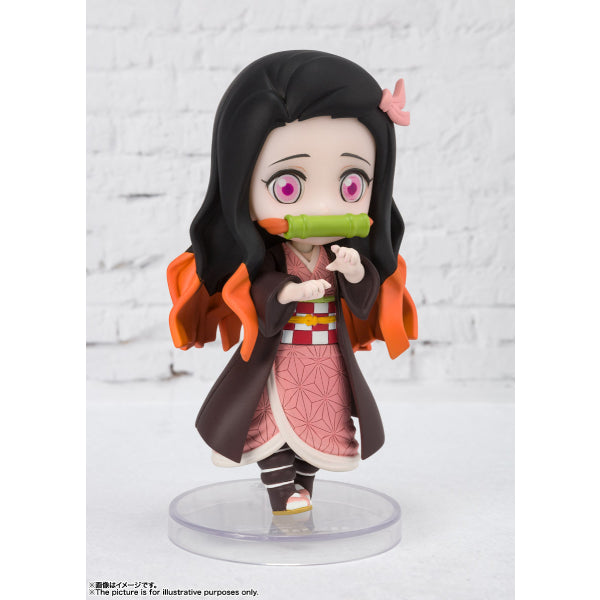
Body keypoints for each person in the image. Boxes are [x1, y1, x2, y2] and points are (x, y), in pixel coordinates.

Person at [167, 50, 417, 515]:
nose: (323, 208)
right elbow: (257, 290)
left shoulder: (338, 254)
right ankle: (283, 493)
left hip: (325, 359)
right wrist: (289, 291)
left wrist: (356, 272)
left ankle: (302, 487)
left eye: (351, 184)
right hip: (279, 358)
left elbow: (363, 303)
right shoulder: (270, 256)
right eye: (288, 185)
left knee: (323, 430)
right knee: (269, 428)